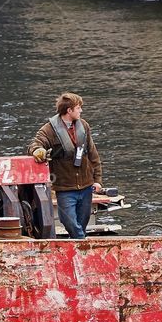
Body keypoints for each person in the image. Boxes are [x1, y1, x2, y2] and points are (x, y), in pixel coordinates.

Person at [27, 92, 103, 239]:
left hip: (86, 185)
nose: (81, 111)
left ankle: (77, 245)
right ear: (69, 110)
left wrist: (97, 180)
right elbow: (35, 144)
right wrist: (38, 151)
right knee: (69, 222)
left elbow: (93, 155)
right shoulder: (49, 129)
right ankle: (82, 244)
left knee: (82, 221)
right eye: (78, 108)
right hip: (65, 187)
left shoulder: (84, 126)